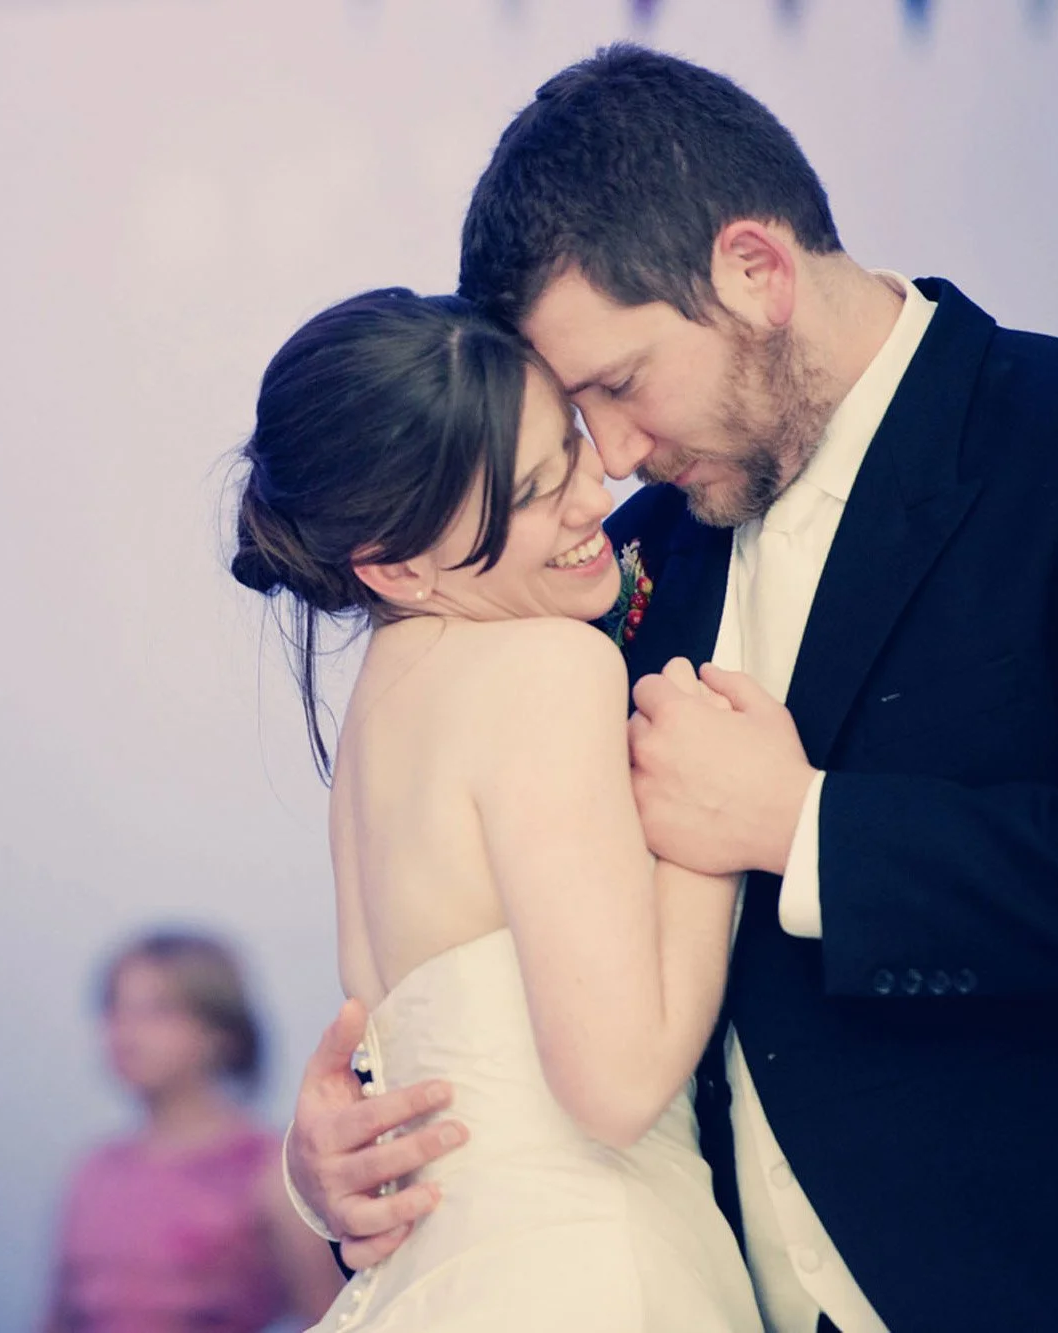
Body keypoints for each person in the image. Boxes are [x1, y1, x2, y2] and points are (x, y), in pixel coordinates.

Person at [285, 43, 1058, 1333]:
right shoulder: (614, 566)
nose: (616, 455)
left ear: (752, 269)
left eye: (620, 387)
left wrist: (806, 829)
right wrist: (340, 1165)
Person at [231, 289, 763, 1332]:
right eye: (527, 492)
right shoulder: (546, 664)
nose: (589, 493)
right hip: (590, 1274)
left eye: (565, 444)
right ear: (392, 565)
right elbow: (612, 1090)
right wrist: (713, 837)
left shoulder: (378, 723)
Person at [40, 930, 344, 1333]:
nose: (127, 1031)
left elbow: (331, 1319)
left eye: (158, 1011)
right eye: (115, 1008)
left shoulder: (273, 1171)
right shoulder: (93, 1172)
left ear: (220, 1031)